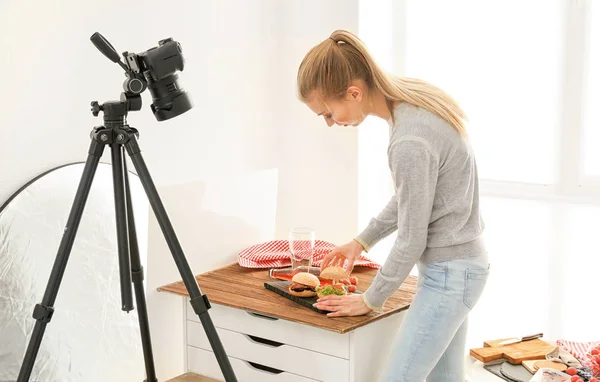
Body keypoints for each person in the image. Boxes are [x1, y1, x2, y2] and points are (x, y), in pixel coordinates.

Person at [297, 29, 490, 381]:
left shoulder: (408, 140)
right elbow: (411, 198)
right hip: (459, 269)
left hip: (450, 276)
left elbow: (412, 238)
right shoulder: (413, 103)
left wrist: (371, 299)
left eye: (328, 113)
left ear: (354, 93)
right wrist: (362, 242)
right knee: (445, 378)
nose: (330, 122)